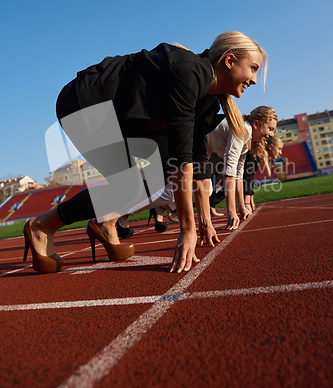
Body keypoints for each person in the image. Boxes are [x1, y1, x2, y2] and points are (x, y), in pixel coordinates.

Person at [23, 32, 267, 274]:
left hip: (124, 118)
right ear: (230, 61)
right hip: (86, 101)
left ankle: (106, 223)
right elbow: (182, 160)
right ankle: (41, 225)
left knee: (152, 178)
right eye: (253, 68)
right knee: (137, 183)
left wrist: (205, 220)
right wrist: (187, 230)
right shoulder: (189, 72)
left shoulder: (209, 99)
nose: (254, 80)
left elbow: (198, 158)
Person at [207, 106, 277, 230]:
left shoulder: (248, 140)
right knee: (184, 188)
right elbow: (229, 171)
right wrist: (231, 212)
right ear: (256, 124)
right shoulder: (243, 130)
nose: (271, 134)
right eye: (270, 129)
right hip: (196, 143)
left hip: (204, 150)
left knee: (202, 188)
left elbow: (239, 174)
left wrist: (241, 207)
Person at [244, 135, 283, 213]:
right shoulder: (254, 153)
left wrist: (251, 200)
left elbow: (250, 177)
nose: (280, 152)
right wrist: (247, 203)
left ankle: (212, 204)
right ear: (270, 146)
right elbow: (247, 177)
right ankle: (212, 204)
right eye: (279, 149)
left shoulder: (258, 154)